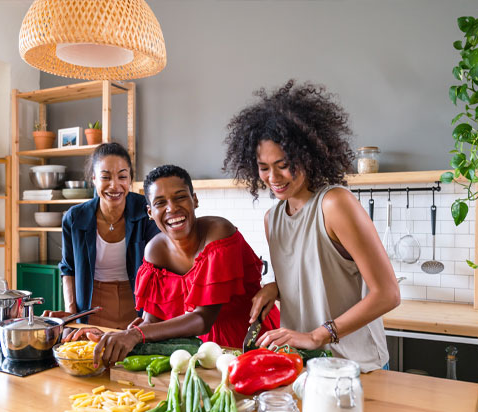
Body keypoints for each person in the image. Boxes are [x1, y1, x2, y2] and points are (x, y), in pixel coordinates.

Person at [222, 80, 400, 372]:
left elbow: (388, 293)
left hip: (356, 366)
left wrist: (317, 335)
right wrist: (275, 288)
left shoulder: (334, 204)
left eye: (283, 164)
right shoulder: (273, 219)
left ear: (307, 155)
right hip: (304, 364)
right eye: (263, 167)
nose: (273, 177)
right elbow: (312, 275)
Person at [85, 165, 279, 366]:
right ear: (150, 212)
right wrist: (133, 332)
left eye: (180, 197)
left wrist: (137, 334)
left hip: (252, 342)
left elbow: (203, 319)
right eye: (160, 202)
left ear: (194, 200)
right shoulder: (154, 251)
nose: (172, 208)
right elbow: (152, 320)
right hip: (195, 352)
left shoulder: (219, 233)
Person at [43, 142, 160, 330]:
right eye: (106, 177)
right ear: (94, 179)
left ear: (130, 178)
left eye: (122, 176)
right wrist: (73, 314)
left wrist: (152, 318)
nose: (115, 186)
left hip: (139, 307)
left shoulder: (147, 212)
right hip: (92, 307)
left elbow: (160, 268)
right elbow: (69, 269)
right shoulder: (74, 218)